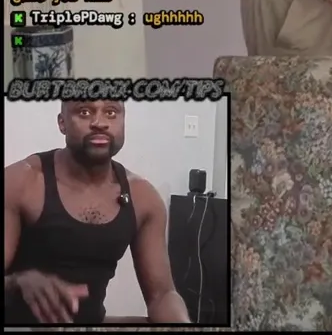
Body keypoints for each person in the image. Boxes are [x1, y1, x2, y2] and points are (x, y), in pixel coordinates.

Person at [4, 101, 191, 325]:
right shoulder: (21, 182)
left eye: (111, 112)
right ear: (62, 123)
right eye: (84, 112)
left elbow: (161, 295)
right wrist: (18, 282)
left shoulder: (144, 198)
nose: (99, 123)